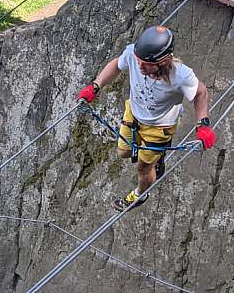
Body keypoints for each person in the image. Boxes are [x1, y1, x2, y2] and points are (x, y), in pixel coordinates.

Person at [78, 25, 216, 211]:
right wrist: (95, 86)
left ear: (164, 61)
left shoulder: (181, 76)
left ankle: (140, 194)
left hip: (159, 127)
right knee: (123, 152)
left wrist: (203, 125)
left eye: (146, 63)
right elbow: (117, 64)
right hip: (134, 114)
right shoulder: (135, 57)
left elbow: (201, 93)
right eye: (138, 61)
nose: (140, 66)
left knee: (143, 168)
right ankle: (155, 159)